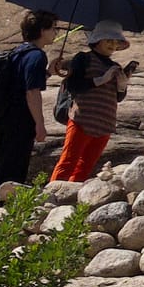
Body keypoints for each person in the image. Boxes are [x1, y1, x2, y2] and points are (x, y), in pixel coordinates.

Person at [0, 10, 57, 199]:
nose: (56, 32)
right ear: (42, 30)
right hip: (19, 121)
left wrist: (48, 73)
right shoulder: (37, 56)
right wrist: (39, 123)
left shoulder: (17, 52)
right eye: (54, 28)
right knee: (11, 169)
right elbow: (31, 92)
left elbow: (19, 83)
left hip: (1, 117)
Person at [51, 21, 134, 182]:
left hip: (105, 123)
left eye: (116, 41)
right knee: (68, 161)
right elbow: (74, 85)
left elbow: (117, 97)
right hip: (82, 118)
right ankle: (50, 200)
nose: (113, 44)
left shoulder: (115, 66)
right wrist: (101, 79)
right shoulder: (83, 58)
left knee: (86, 166)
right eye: (109, 40)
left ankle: (71, 201)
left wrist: (122, 86)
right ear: (98, 40)